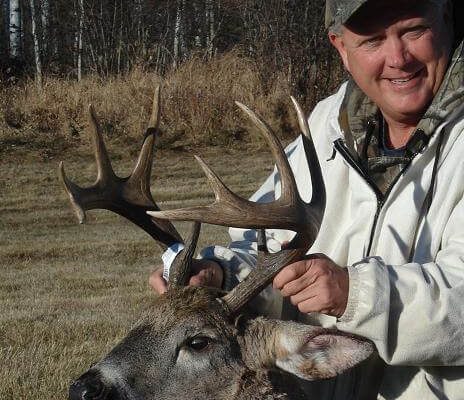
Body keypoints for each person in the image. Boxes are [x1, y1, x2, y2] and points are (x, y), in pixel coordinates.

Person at [151, 0, 464, 398]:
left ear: (447, 18)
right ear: (341, 49)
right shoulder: (329, 123)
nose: (398, 58)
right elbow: (270, 249)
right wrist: (221, 275)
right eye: (372, 40)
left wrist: (357, 294)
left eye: (413, 30)